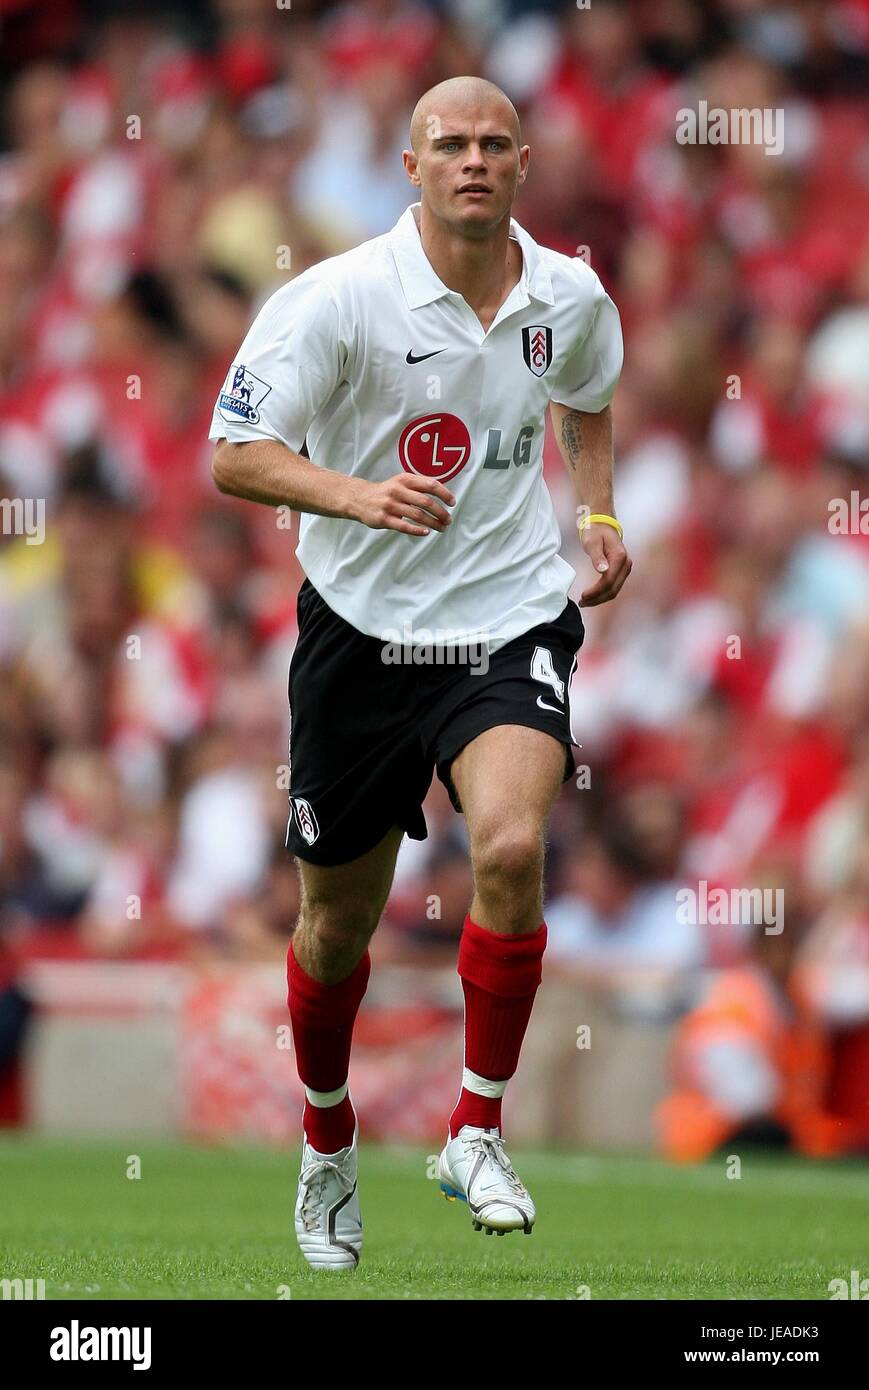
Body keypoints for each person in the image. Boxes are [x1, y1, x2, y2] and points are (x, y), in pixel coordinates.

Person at [209, 75, 630, 1270]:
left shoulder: (566, 295)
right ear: (410, 165)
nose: (473, 161)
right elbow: (234, 454)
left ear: (524, 162)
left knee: (506, 845)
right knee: (334, 927)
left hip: (505, 619)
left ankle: (476, 1127)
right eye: (450, 143)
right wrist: (357, 496)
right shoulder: (334, 300)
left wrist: (593, 509)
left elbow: (586, 395)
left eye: (495, 143)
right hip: (359, 630)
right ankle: (328, 1143)